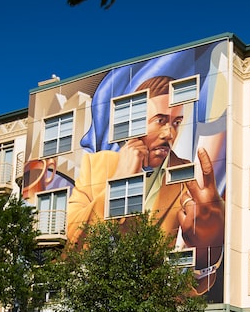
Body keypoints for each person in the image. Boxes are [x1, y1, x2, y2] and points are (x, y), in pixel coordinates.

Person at [67, 75, 224, 292]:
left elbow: (193, 288)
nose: (169, 134)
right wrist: (118, 185)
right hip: (97, 305)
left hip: (156, 309)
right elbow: (71, 246)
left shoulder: (190, 178)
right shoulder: (96, 165)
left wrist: (208, 252)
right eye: (160, 120)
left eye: (176, 123)